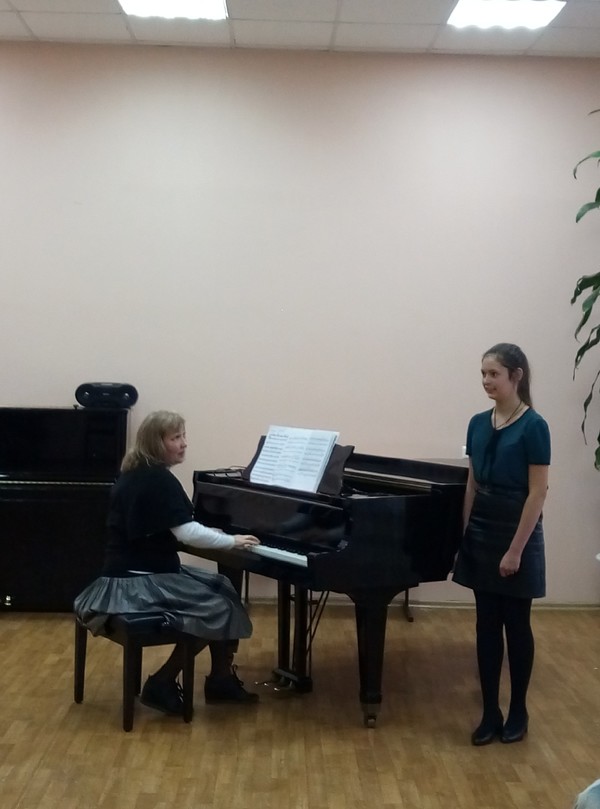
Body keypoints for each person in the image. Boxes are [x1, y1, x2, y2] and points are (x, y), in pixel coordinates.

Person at [74, 410, 261, 716]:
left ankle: (221, 678)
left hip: (131, 573)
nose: (184, 443)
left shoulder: (138, 471)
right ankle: (162, 682)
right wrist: (231, 541)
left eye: (183, 436)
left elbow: (173, 527)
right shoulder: (157, 479)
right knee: (219, 607)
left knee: (222, 585)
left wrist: (215, 534)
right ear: (156, 443)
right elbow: (186, 532)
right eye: (175, 438)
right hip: (136, 583)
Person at [453, 343, 550, 746]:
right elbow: (472, 482)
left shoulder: (534, 426)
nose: (486, 381)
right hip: (482, 529)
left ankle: (518, 711)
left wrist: (515, 550)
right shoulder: (477, 423)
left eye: (493, 374)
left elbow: (538, 492)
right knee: (486, 625)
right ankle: (490, 711)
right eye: (483, 374)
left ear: (516, 375)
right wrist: (465, 533)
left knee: (517, 624)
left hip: (517, 530)